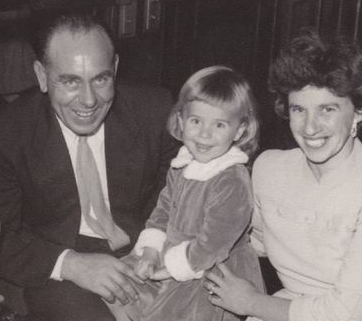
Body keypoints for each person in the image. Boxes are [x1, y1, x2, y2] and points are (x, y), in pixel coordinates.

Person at [0, 12, 178, 321]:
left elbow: (182, 199)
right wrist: (71, 264)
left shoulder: (155, 111)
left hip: (147, 252)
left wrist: (154, 252)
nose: (89, 100)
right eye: (70, 81)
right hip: (57, 264)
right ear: (41, 76)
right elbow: (3, 237)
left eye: (101, 79)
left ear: (115, 69)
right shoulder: (7, 132)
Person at [205, 30, 362, 320]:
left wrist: (251, 303)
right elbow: (247, 243)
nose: (310, 127)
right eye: (299, 109)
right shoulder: (269, 168)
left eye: (327, 109)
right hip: (283, 310)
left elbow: (348, 315)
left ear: (359, 111)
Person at [106, 66, 266, 321]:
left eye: (219, 125)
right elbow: (162, 213)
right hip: (175, 255)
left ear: (238, 131)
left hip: (212, 269)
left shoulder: (231, 179)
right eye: (196, 121)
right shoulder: (182, 166)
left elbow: (212, 244)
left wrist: (169, 266)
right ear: (181, 121)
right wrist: (150, 251)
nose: (204, 134)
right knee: (118, 283)